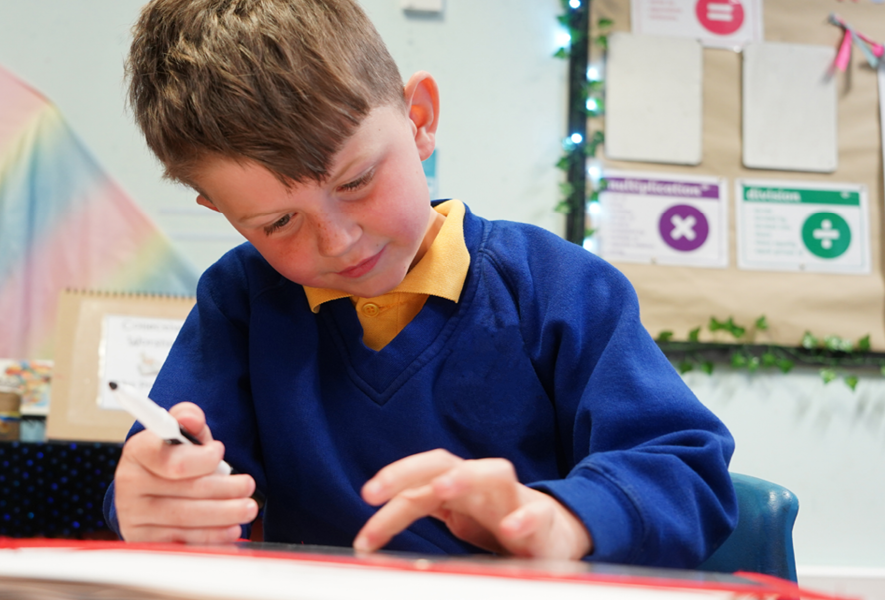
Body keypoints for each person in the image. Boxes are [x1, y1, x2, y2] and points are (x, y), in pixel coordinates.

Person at [105, 0, 737, 568]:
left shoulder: (559, 287)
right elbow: (179, 474)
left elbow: (685, 470)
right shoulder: (241, 302)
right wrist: (156, 500)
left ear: (419, 118)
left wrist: (562, 520)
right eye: (277, 222)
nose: (338, 242)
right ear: (219, 210)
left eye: (355, 182)